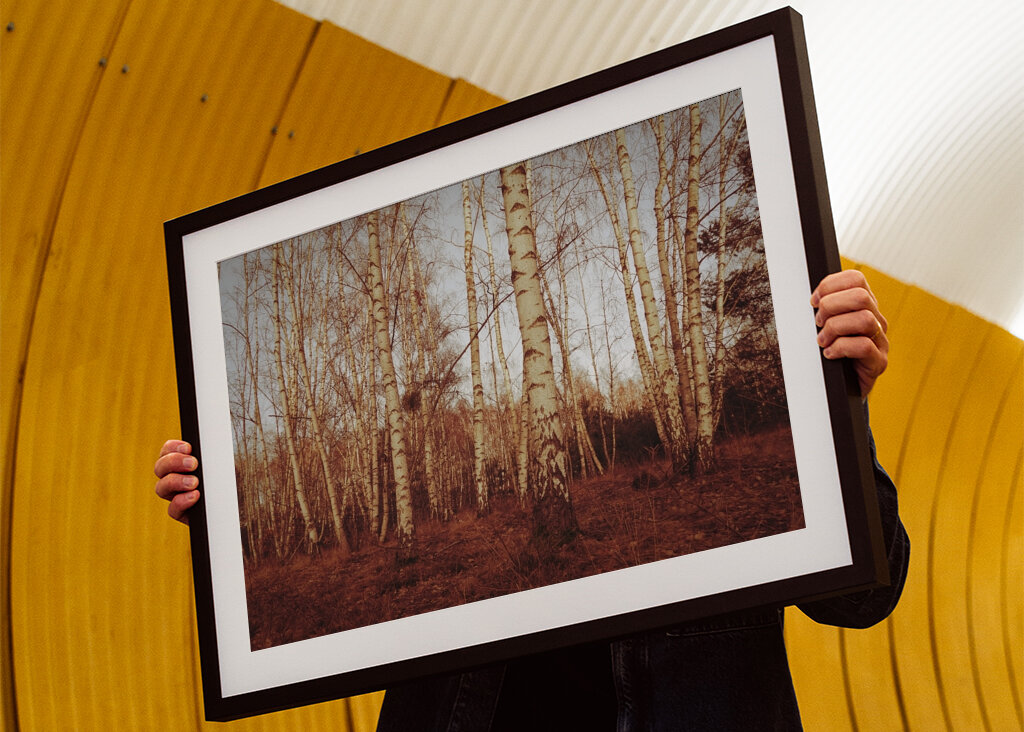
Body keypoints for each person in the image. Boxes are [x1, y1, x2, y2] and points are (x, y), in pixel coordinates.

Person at [154, 270, 909, 731]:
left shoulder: (791, 379)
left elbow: (865, 596)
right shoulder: (475, 532)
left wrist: (840, 407)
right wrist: (234, 520)